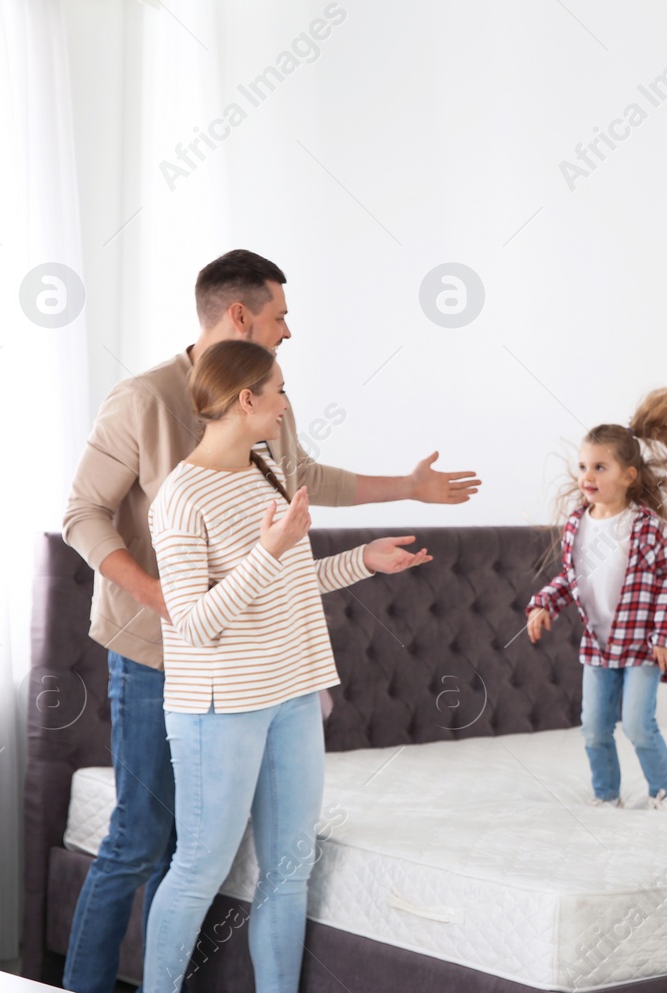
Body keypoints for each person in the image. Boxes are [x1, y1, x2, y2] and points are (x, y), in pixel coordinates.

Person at [59, 249, 479, 993]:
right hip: (167, 653)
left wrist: (402, 500)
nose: (290, 331)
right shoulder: (145, 404)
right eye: (281, 316)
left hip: (273, 670)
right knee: (142, 838)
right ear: (241, 317)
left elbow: (304, 499)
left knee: (268, 860)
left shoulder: (263, 445)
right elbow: (84, 516)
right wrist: (158, 592)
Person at [142, 340, 430, 992]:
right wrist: (269, 549)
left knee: (289, 866)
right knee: (199, 867)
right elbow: (194, 622)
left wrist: (363, 559)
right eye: (277, 390)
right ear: (246, 399)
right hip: (220, 708)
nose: (285, 403)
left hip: (294, 691)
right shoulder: (180, 498)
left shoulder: (269, 467)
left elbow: (289, 581)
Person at [526, 388, 667, 812]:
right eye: (584, 466)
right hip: (599, 647)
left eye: (600, 467)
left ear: (628, 475)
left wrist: (666, 635)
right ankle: (606, 795)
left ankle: (664, 793)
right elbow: (571, 580)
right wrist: (542, 604)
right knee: (593, 729)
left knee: (639, 725)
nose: (587, 475)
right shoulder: (576, 525)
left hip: (642, 645)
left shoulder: (649, 528)